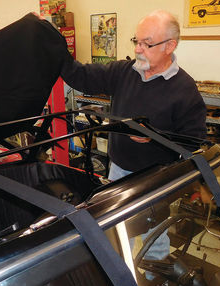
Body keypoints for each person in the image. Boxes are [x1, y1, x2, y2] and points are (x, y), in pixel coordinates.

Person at [60, 10, 207, 180]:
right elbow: (82, 76)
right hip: (117, 169)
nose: (137, 49)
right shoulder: (123, 71)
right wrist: (52, 43)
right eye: (136, 41)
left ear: (169, 46)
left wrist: (155, 137)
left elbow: (193, 141)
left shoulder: (185, 88)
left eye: (146, 44)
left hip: (158, 177)